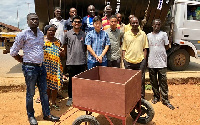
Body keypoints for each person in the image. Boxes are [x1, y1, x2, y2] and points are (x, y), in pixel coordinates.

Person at [10, 13, 60, 125]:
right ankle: (31, 116)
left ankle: (47, 114)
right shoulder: (23, 34)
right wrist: (23, 60)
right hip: (30, 68)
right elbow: (13, 52)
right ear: (27, 21)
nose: (34, 21)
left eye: (36, 19)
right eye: (32, 19)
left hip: (41, 67)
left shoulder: (41, 34)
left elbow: (40, 49)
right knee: (30, 93)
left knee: (44, 93)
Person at [147, 19, 175, 110]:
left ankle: (165, 99)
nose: (157, 26)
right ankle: (156, 96)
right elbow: (146, 48)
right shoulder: (148, 36)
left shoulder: (164, 34)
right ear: (152, 25)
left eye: (159, 24)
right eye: (155, 24)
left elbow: (167, 46)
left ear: (160, 25)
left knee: (163, 82)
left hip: (162, 63)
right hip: (151, 62)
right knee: (153, 81)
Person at [122, 16, 148, 99]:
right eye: (133, 23)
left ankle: (141, 97)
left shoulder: (143, 34)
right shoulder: (126, 34)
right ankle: (130, 96)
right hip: (128, 61)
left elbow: (145, 48)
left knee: (141, 80)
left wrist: (144, 60)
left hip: (140, 61)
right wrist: (124, 60)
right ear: (130, 24)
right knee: (129, 81)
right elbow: (123, 48)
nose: (135, 24)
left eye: (136, 22)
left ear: (138, 23)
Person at [63, 16, 87, 106]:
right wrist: (68, 58)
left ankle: (80, 97)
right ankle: (70, 97)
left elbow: (85, 48)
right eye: (75, 22)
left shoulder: (84, 34)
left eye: (79, 22)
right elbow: (65, 47)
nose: (77, 23)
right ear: (72, 23)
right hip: (71, 62)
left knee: (81, 81)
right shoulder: (68, 34)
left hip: (81, 62)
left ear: (81, 24)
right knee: (71, 81)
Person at [43, 24, 64, 111]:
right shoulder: (42, 41)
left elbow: (63, 55)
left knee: (55, 86)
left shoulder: (58, 42)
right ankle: (47, 103)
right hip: (45, 66)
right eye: (50, 30)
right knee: (47, 86)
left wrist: (61, 52)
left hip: (56, 66)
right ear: (46, 31)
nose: (52, 32)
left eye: (53, 30)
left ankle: (54, 103)